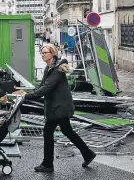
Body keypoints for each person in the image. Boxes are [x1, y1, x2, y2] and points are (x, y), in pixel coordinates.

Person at [18, 44, 96, 172]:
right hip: (56, 107)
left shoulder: (58, 69)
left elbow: (46, 88)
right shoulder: (48, 68)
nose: (43, 55)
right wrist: (26, 91)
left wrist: (26, 96)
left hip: (59, 108)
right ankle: (88, 154)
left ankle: (48, 164)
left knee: (48, 132)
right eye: (41, 53)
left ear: (52, 53)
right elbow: (42, 86)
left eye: (45, 52)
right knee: (67, 131)